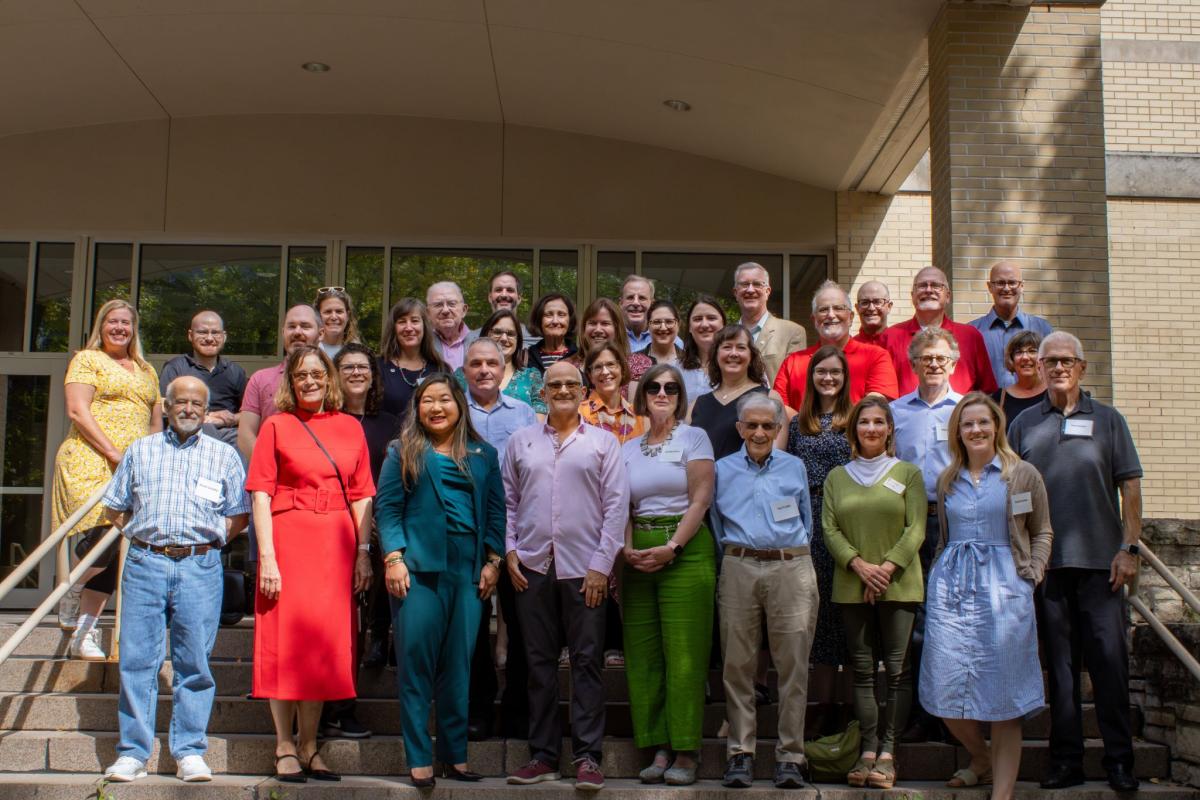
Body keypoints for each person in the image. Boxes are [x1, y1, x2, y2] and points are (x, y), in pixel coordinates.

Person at [1008, 331, 1144, 793]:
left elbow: (1130, 488)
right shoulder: (1024, 424)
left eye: (1067, 360)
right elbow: (1010, 492)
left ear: (1082, 367)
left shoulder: (1108, 420)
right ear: (1039, 368)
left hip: (1102, 566)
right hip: (1046, 569)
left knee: (1109, 665)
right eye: (1050, 361)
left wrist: (1130, 549)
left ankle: (1120, 761)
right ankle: (1065, 761)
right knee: (1060, 672)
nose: (1059, 368)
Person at [99, 377, 249, 784]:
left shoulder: (224, 455)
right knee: (137, 661)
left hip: (201, 566)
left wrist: (212, 540)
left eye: (196, 404)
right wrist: (142, 533)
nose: (187, 409)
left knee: (195, 663)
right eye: (179, 402)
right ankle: (133, 752)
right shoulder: (140, 450)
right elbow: (115, 507)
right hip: (146, 563)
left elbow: (239, 513)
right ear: (166, 407)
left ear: (205, 410)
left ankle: (189, 750)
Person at [246, 345, 374, 783]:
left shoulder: (350, 428)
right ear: (290, 381)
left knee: (320, 645)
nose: (310, 381)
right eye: (301, 375)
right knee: (285, 642)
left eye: (317, 373)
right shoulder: (276, 426)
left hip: (335, 543)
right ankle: (284, 744)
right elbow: (260, 493)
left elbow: (362, 496)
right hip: (288, 538)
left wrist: (362, 553)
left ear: (330, 378)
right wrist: (267, 556)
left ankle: (310, 745)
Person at [503, 362, 630, 792]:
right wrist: (510, 551)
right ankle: (542, 755)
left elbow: (616, 507)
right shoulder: (520, 442)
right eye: (553, 384)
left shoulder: (603, 443)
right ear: (542, 392)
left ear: (582, 391)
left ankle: (588, 757)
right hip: (533, 568)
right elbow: (506, 502)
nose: (561, 390)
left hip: (585, 570)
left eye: (569, 384)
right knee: (538, 664)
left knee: (587, 662)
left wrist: (601, 565)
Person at [376, 374, 506, 788]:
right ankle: (419, 758)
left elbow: (497, 510)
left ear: (459, 404)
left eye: (444, 400)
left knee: (459, 666)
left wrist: (494, 560)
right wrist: (393, 557)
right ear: (417, 409)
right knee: (417, 665)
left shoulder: (484, 453)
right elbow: (388, 509)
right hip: (418, 570)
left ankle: (455, 756)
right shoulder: (403, 450)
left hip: (468, 571)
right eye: (426, 401)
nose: (435, 408)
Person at [924, 392, 1053, 800]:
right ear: (957, 432)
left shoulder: (1023, 474)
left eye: (983, 422)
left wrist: (1032, 574)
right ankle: (979, 758)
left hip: (1005, 587)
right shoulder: (948, 479)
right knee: (943, 687)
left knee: (1004, 695)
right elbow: (943, 537)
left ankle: (1002, 793)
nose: (976, 429)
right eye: (967, 424)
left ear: (996, 425)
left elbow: (1043, 529)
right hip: (953, 589)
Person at [709, 393, 818, 790]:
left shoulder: (795, 467)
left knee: (793, 666)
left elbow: (806, 519)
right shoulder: (721, 469)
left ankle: (790, 755)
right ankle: (741, 752)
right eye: (750, 425)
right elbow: (716, 521)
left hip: (791, 566)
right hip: (738, 565)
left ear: (777, 429)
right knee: (737, 664)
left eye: (766, 426)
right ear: (739, 428)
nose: (758, 432)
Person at [822, 396, 926, 790]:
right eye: (864, 422)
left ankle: (888, 751)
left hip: (899, 583)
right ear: (854, 429)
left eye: (879, 422)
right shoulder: (837, 477)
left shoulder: (908, 473)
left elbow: (916, 527)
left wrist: (884, 569)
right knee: (863, 672)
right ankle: (867, 750)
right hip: (852, 583)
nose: (871, 429)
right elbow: (829, 529)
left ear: (889, 430)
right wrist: (860, 566)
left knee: (897, 672)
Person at [52, 299, 163, 660]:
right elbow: (77, 410)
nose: (119, 328)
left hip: (133, 469)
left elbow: (155, 422)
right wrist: (115, 454)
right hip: (91, 459)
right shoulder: (87, 360)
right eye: (112, 322)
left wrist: (151, 462)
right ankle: (70, 590)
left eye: (126, 323)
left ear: (134, 329)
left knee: (118, 548)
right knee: (101, 536)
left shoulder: (146, 369)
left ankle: (83, 632)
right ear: (101, 326)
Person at [621, 365, 714, 786]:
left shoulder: (694, 437)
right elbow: (620, 504)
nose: (662, 393)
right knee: (644, 656)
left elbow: (701, 498)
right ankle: (657, 745)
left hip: (685, 551)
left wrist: (673, 547)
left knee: (684, 656)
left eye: (671, 387)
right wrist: (626, 548)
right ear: (642, 395)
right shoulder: (627, 447)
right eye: (654, 387)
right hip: (638, 554)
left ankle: (686, 750)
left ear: (680, 395)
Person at [460, 338, 537, 741]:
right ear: (465, 369)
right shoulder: (454, 411)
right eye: (476, 363)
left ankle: (517, 709)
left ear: (504, 367)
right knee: (472, 628)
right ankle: (478, 707)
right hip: (465, 531)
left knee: (522, 624)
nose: (485, 370)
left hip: (515, 531)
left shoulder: (524, 413)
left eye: (492, 363)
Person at [322, 343, 401, 735]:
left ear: (374, 375)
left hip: (379, 529)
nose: (355, 373)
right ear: (335, 375)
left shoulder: (391, 423)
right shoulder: (323, 420)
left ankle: (345, 707)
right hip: (331, 530)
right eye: (347, 367)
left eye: (363, 367)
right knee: (334, 626)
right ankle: (325, 709)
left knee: (360, 624)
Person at [890, 327, 962, 743]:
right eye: (925, 358)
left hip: (954, 523)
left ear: (953, 363)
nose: (933, 365)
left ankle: (955, 715)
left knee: (951, 618)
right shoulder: (898, 413)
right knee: (916, 619)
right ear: (913, 364)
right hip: (912, 523)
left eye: (941, 358)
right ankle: (921, 713)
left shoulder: (966, 410)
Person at [785, 345, 853, 734]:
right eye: (821, 372)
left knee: (844, 618)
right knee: (818, 618)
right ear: (811, 377)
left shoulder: (856, 417)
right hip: (807, 522)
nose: (828, 378)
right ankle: (822, 703)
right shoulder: (798, 424)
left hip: (846, 518)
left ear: (845, 378)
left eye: (835, 373)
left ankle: (846, 704)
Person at [773, 280, 898, 407]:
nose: (831, 315)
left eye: (838, 308)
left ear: (851, 317)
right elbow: (779, 409)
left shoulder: (876, 356)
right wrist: (807, 424)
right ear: (814, 319)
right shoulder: (792, 363)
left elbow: (876, 405)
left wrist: (837, 425)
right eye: (823, 310)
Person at [878, 266, 997, 397]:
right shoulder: (889, 337)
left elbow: (987, 390)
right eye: (922, 286)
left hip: (959, 416)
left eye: (936, 286)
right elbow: (882, 392)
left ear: (948, 296)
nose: (929, 290)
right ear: (912, 296)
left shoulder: (970, 336)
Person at [237, 304, 324, 462]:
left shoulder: (332, 379)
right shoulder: (260, 379)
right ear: (283, 332)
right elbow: (246, 435)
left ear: (321, 333)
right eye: (291, 326)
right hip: (270, 479)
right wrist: (270, 470)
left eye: (305, 326)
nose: (297, 332)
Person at [688, 324, 786, 461]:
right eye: (727, 347)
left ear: (751, 355)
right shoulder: (696, 404)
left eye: (741, 347)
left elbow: (775, 456)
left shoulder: (769, 398)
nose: (733, 353)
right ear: (716, 354)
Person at [158, 309, 247, 446]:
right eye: (203, 332)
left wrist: (229, 419)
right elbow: (162, 405)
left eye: (215, 333)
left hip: (228, 436)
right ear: (190, 335)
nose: (209, 338)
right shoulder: (175, 367)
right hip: (187, 432)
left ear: (224, 336)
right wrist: (206, 417)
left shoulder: (235, 372)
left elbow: (248, 413)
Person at [968, 261, 1053, 388]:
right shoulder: (972, 332)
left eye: (1012, 283)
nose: (1007, 288)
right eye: (1000, 283)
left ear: (1022, 286)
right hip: (987, 406)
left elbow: (1051, 373)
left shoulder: (1042, 329)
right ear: (990, 287)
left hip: (1033, 405)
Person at [460, 309, 545, 415]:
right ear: (485, 334)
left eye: (511, 334)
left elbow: (540, 419)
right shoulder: (463, 375)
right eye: (497, 332)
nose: (504, 338)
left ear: (518, 340)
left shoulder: (532, 376)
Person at [377, 298, 449, 421]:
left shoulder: (440, 368)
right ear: (393, 328)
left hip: (430, 440)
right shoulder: (378, 367)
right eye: (402, 322)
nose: (409, 328)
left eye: (415, 321)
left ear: (424, 326)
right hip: (388, 439)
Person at [732, 262, 805, 382]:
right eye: (744, 284)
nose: (750, 290)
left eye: (757, 284)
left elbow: (794, 383)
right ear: (735, 292)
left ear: (767, 291)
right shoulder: (724, 336)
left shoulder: (792, 332)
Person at [572, 297, 653, 386]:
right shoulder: (569, 367)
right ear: (584, 329)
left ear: (617, 329)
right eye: (592, 323)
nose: (598, 329)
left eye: (605, 323)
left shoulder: (638, 364)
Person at [580, 343, 647, 444]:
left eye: (611, 364)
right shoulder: (579, 413)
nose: (605, 372)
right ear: (590, 376)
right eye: (598, 367)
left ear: (622, 370)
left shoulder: (639, 415)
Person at [465, 270, 538, 346]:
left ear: (519, 298)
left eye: (510, 290)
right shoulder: (472, 339)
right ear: (490, 297)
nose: (504, 295)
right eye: (498, 290)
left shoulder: (535, 341)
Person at [991, 330, 1046, 430]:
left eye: (1032, 351)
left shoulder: (1055, 394)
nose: (1025, 357)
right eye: (1019, 352)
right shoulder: (999, 398)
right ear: (1011, 359)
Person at [679, 295, 726, 401]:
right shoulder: (675, 369)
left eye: (711, 318)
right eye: (697, 319)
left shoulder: (739, 364)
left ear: (723, 324)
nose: (704, 324)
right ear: (690, 327)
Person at [527, 292, 578, 373]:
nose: (555, 321)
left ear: (570, 320)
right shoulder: (527, 357)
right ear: (539, 320)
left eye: (561, 314)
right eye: (548, 315)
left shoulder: (578, 356)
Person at [427, 281, 471, 370]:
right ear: (428, 313)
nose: (445, 310)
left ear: (464, 310)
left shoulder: (481, 338)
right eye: (438, 305)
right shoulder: (421, 343)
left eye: (452, 304)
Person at [315, 286, 362, 360]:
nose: (334, 317)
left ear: (348, 316)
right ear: (318, 316)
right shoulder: (308, 351)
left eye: (339, 311)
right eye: (328, 312)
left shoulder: (359, 353)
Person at [639, 300, 684, 366]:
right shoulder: (635, 361)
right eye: (657, 322)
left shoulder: (690, 361)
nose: (663, 328)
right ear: (648, 325)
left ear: (678, 325)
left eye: (669, 322)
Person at [620, 275, 655, 352]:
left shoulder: (671, 341)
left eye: (642, 298)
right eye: (630, 297)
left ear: (652, 305)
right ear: (621, 303)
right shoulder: (610, 337)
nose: (636, 303)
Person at [853, 281, 893, 347]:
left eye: (877, 302)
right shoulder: (849, 348)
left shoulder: (900, 344)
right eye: (865, 302)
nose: (871, 308)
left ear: (889, 306)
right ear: (857, 308)